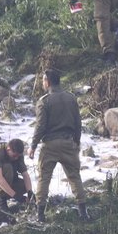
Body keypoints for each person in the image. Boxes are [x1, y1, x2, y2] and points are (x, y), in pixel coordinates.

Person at [29, 69, 88, 222]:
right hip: (69, 142)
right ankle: (83, 213)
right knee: (75, 177)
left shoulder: (44, 101)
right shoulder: (71, 98)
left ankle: (40, 215)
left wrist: (33, 145)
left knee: (44, 178)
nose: (42, 83)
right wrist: (77, 141)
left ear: (47, 81)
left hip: (50, 145)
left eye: (43, 80)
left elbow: (40, 126)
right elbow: (78, 123)